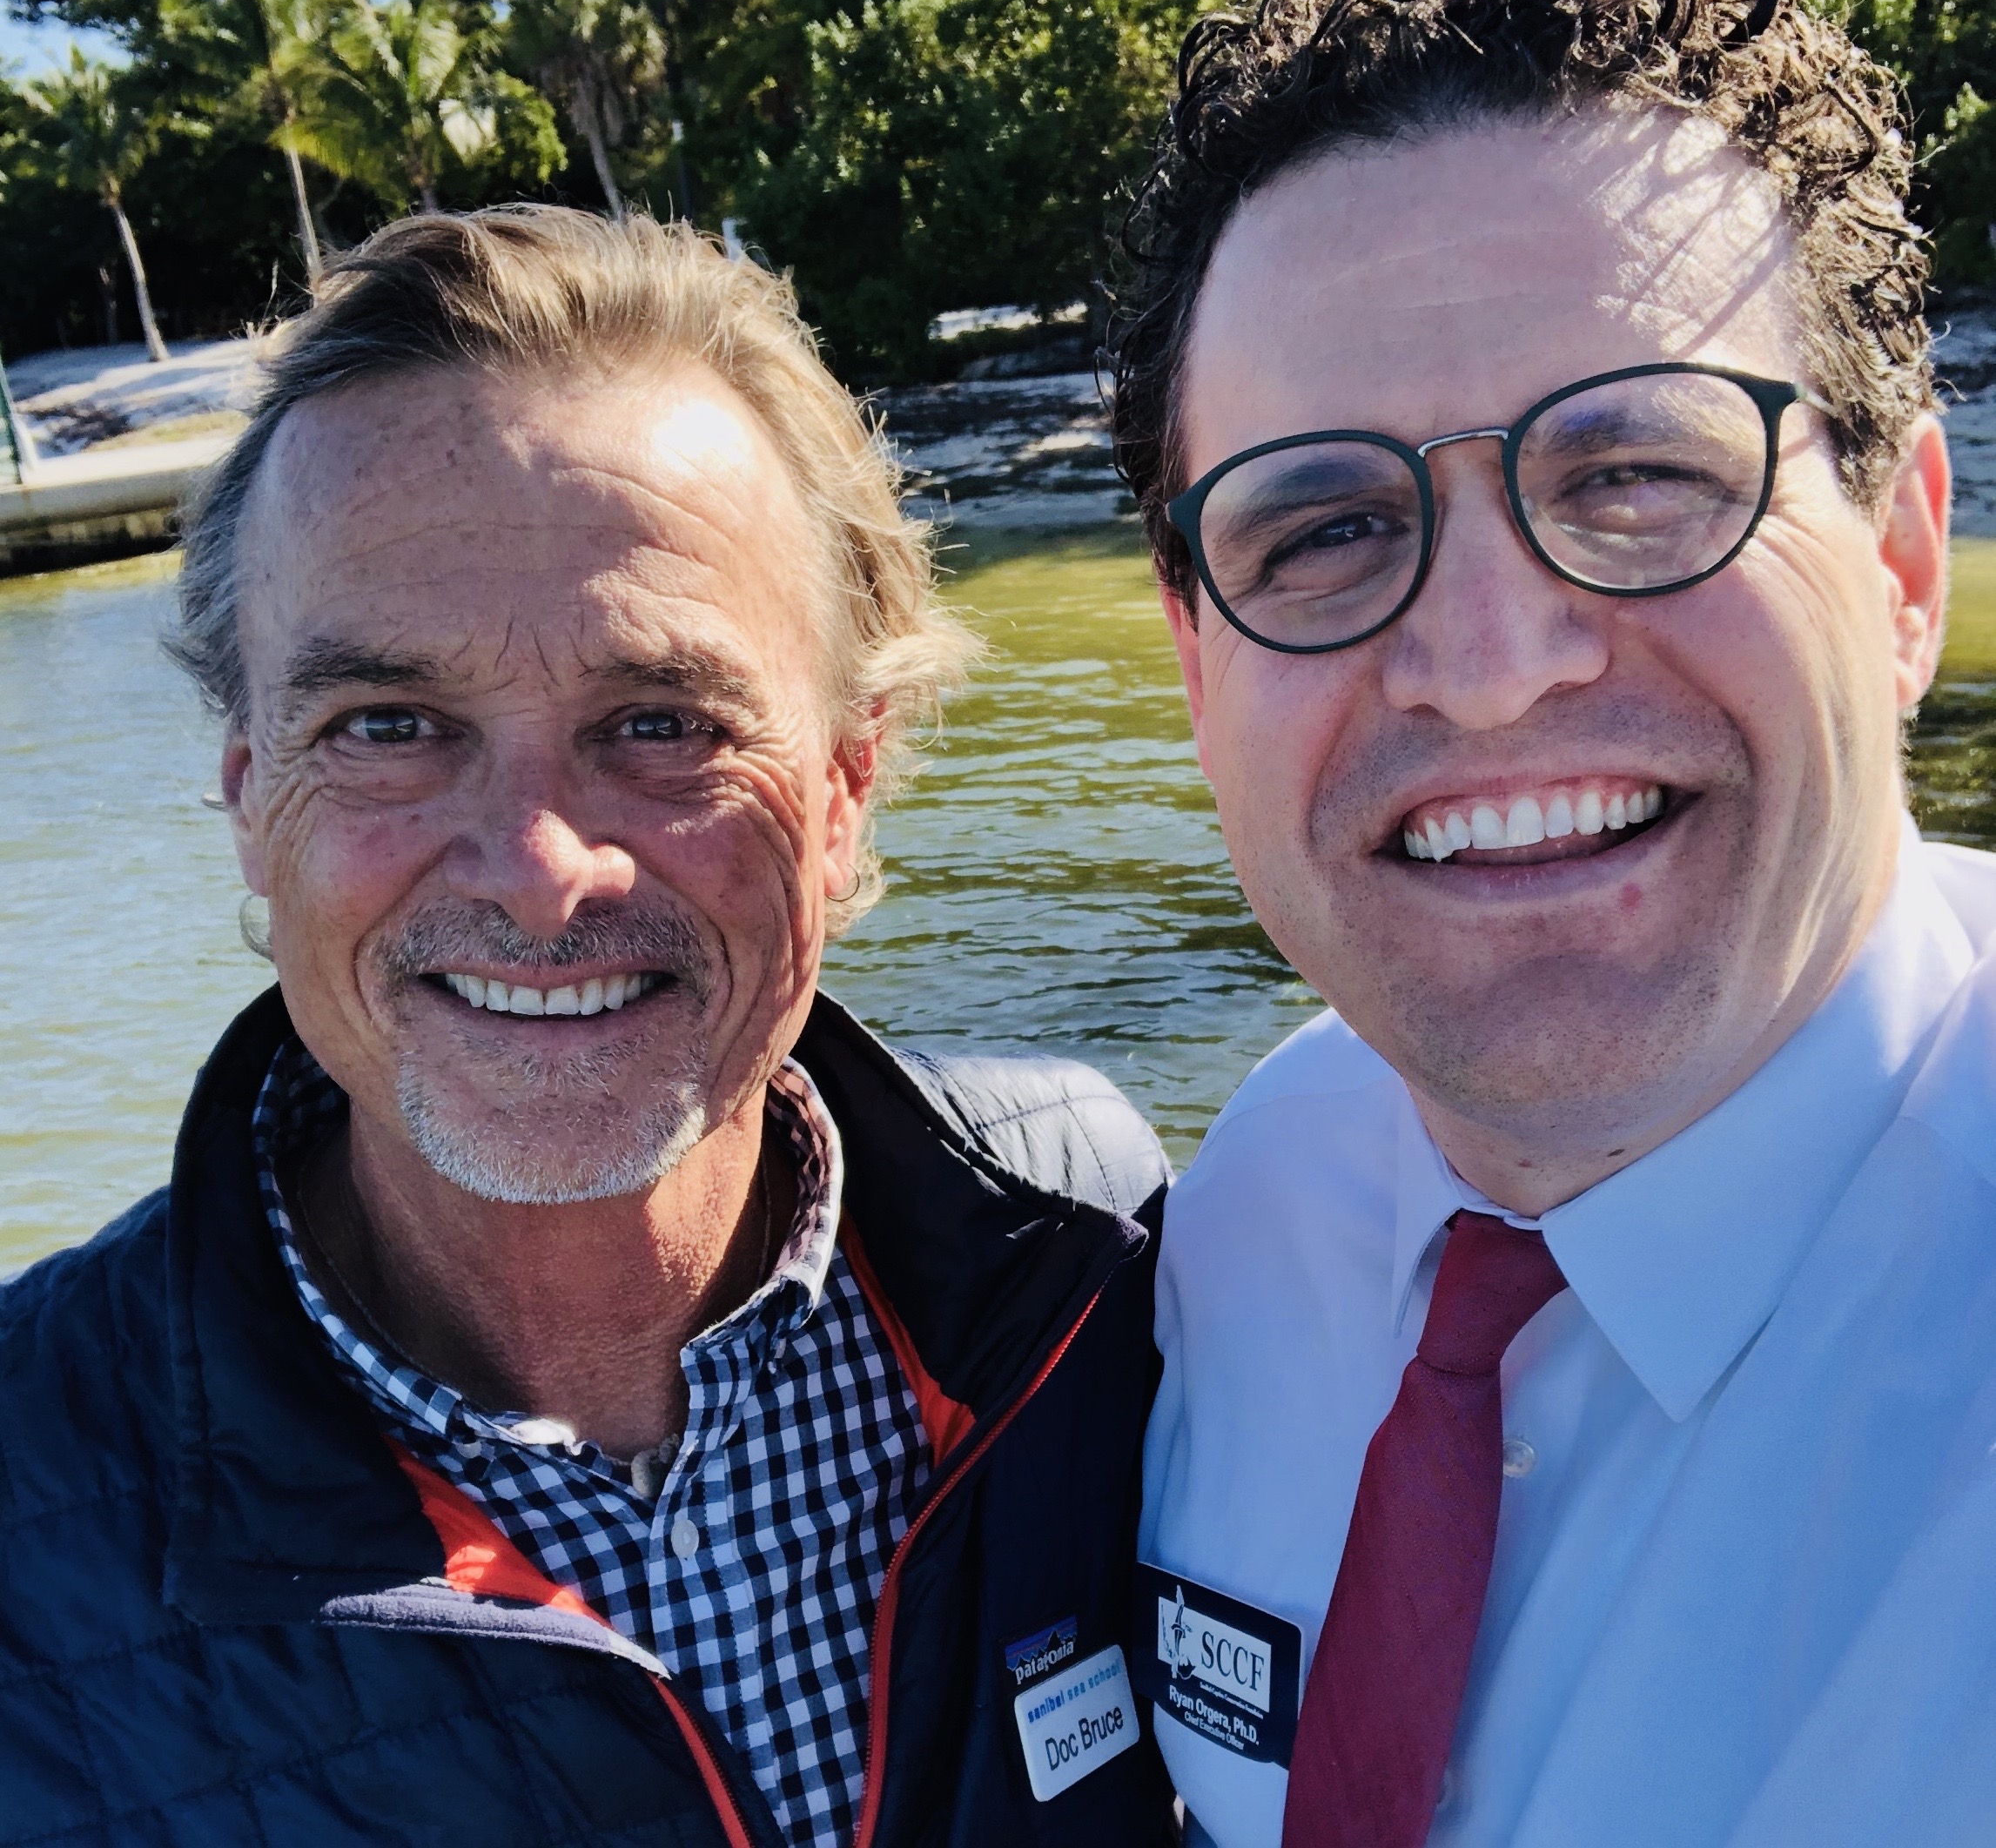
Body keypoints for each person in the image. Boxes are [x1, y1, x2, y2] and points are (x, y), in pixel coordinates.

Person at [0, 207, 1175, 1847]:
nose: (543, 874)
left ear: (843, 792)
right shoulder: (23, 1498)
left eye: (660, 723)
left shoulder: (1102, 1252)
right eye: (389, 724)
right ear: (251, 795)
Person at [1116, 0, 1996, 1848]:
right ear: (1195, 663)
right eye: (1320, 529)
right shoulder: (1263, 1197)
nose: (1495, 671)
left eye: (1638, 474)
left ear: (1904, 561)